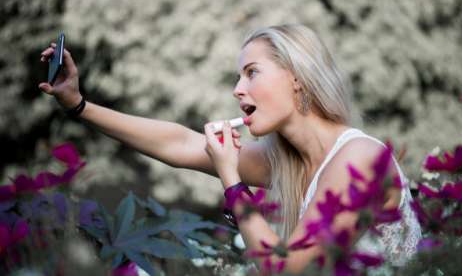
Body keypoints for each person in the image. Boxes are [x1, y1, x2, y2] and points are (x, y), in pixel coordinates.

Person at [39, 24, 421, 273]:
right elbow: (181, 143)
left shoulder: (359, 159)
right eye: (238, 76)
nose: (237, 89)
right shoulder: (289, 162)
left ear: (298, 80)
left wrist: (232, 180)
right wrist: (78, 105)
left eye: (251, 72)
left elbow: (287, 271)